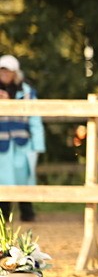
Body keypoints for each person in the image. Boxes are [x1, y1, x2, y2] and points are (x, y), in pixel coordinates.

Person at [0, 55, 45, 221]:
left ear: (15, 72)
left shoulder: (27, 92)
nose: (4, 73)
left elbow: (35, 120)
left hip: (22, 144)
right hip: (1, 143)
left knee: (24, 180)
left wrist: (38, 146)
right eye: (2, 70)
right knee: (2, 182)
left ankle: (28, 215)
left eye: (7, 70)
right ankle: (3, 218)